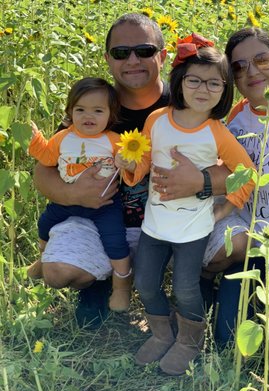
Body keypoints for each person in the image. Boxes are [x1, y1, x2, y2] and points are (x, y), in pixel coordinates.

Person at [32, 13, 228, 330]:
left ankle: (202, 279)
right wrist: (72, 193)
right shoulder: (95, 105)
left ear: (163, 56)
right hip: (107, 222)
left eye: (145, 51)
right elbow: (43, 170)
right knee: (58, 271)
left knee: (233, 242)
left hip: (180, 218)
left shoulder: (190, 99)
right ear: (108, 59)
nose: (133, 60)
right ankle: (100, 279)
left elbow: (232, 169)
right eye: (122, 53)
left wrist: (202, 180)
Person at [116, 33, 255, 375]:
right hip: (155, 223)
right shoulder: (157, 120)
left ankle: (190, 340)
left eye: (214, 83)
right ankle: (162, 333)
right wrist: (132, 168)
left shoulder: (217, 133)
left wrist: (226, 207)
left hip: (194, 227)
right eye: (194, 80)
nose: (203, 89)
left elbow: (247, 173)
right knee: (146, 281)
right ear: (179, 81)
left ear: (225, 91)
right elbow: (146, 161)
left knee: (185, 286)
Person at [203, 27, 269, 344]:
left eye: (261, 59)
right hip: (253, 233)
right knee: (227, 337)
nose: (252, 71)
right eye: (239, 67)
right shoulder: (235, 118)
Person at [28, 77, 133, 313]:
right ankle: (42, 257)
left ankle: (121, 286)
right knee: (44, 223)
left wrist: (127, 162)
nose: (89, 116)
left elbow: (131, 169)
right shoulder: (63, 137)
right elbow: (47, 158)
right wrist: (36, 140)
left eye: (98, 110)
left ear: (111, 114)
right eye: (81, 110)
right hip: (66, 201)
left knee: (116, 241)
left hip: (105, 203)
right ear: (70, 112)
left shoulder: (113, 140)